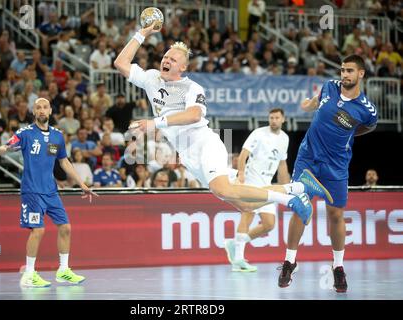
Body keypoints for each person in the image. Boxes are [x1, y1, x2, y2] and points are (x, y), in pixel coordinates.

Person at [114, 23, 332, 232]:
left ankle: (291, 200)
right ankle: (299, 187)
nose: (166, 60)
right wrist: (141, 34)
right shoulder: (152, 78)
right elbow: (120, 63)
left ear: (182, 67)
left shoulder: (191, 87)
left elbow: (194, 114)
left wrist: (155, 123)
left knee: (222, 188)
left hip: (206, 144)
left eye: (173, 58)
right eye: (165, 56)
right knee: (245, 205)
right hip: (189, 156)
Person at [278, 54, 378, 293]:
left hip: (336, 164)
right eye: (343, 70)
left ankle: (338, 267)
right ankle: (290, 261)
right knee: (300, 206)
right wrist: (307, 105)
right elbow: (316, 101)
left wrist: (350, 133)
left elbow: (369, 126)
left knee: (335, 214)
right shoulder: (329, 87)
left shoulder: (366, 110)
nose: (344, 74)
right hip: (308, 157)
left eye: (350, 71)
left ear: (361, 74)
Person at [0, 97, 98, 288]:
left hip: (51, 192)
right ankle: (28, 274)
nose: (42, 110)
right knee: (38, 230)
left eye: (45, 107)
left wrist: (81, 184)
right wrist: (3, 149)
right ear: (34, 112)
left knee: (66, 227)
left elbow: (64, 162)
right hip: (32, 191)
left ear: (50, 111)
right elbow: (9, 145)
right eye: (38, 108)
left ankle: (63, 270)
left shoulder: (57, 136)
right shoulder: (25, 133)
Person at [225, 108, 290, 272]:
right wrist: (241, 175)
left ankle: (235, 244)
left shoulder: (284, 138)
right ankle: (238, 261)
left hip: (267, 183)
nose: (273, 120)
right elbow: (243, 154)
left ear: (283, 119)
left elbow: (282, 165)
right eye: (271, 117)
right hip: (252, 179)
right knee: (247, 215)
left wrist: (286, 187)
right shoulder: (259, 133)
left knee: (269, 224)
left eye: (276, 117)